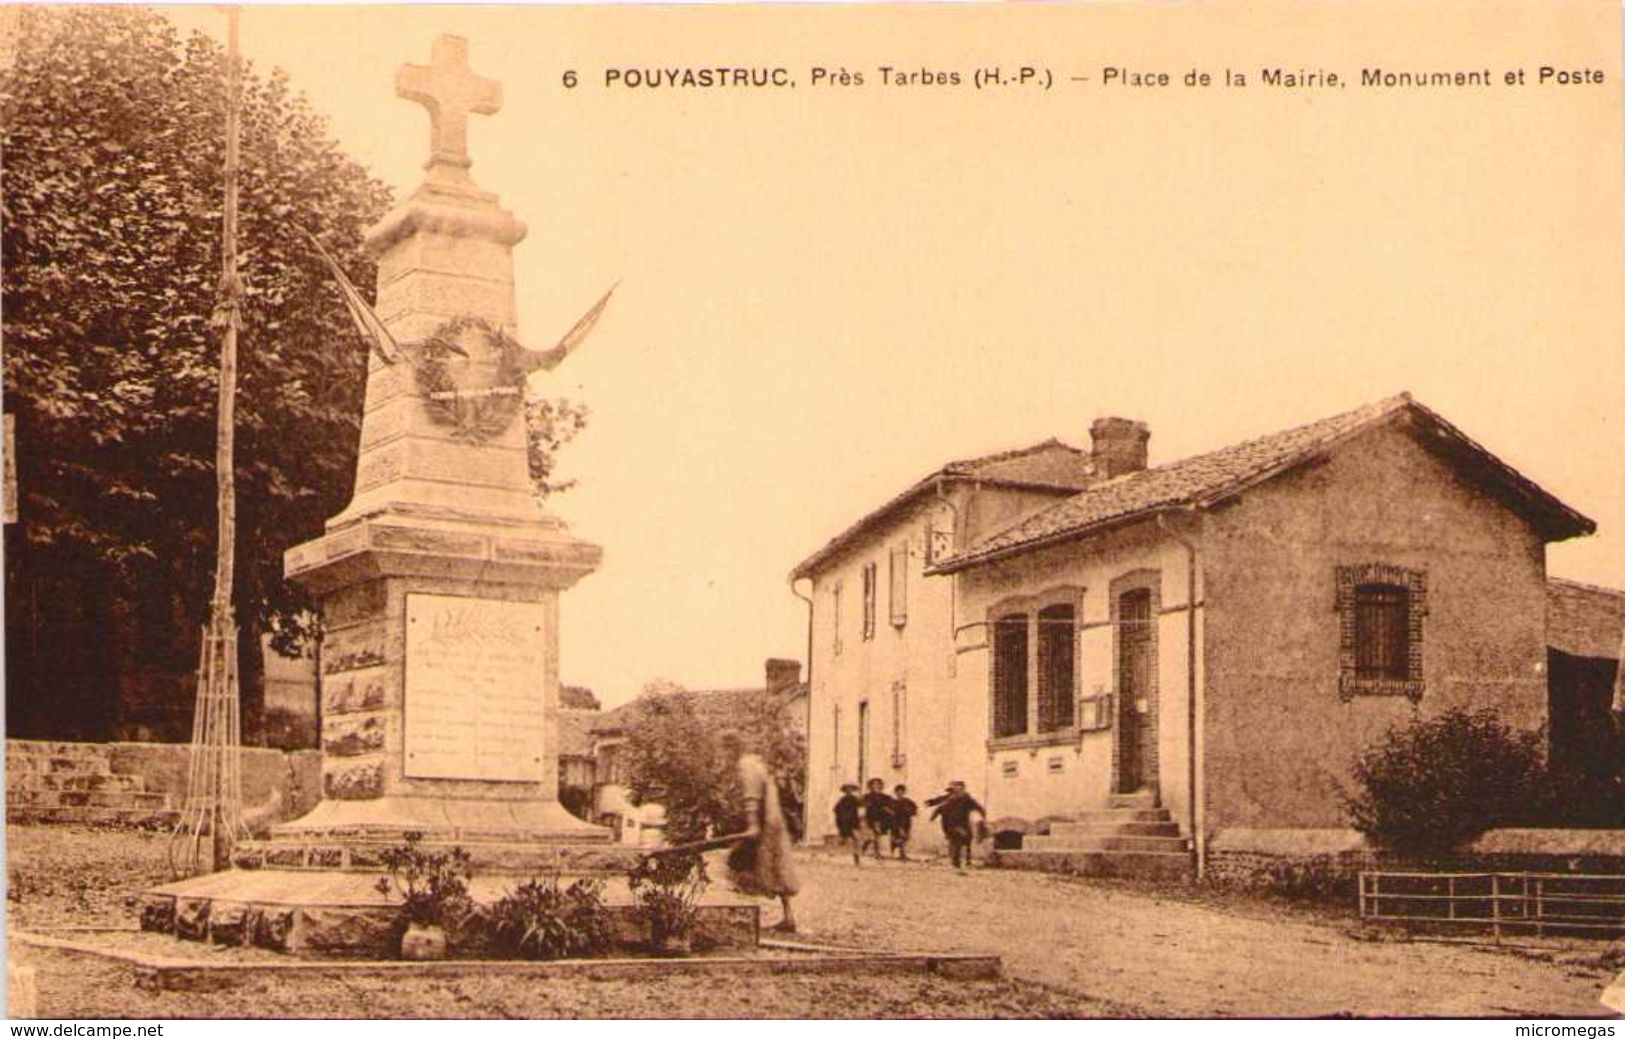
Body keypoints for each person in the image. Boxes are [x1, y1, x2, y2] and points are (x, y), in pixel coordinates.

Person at [720, 731, 799, 932]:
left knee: (736, 866)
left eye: (725, 750)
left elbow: (752, 797)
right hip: (773, 821)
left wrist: (753, 825)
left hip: (764, 824)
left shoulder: (746, 765)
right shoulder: (756, 763)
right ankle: (788, 917)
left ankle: (740, 918)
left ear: (731, 748)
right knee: (776, 869)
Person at [930, 780, 986, 872]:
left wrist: (982, 814)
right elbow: (940, 805)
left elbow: (977, 806)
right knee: (957, 841)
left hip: (963, 823)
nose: (956, 791)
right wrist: (933, 810)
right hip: (952, 824)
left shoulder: (967, 799)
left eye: (959, 788)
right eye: (955, 789)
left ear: (962, 789)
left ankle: (964, 860)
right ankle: (956, 861)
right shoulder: (950, 799)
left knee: (966, 840)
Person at [859, 778, 893, 860]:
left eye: (878, 784)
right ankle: (876, 852)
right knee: (876, 834)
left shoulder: (885, 797)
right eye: (873, 784)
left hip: (882, 817)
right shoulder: (867, 796)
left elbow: (889, 806)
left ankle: (868, 845)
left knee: (877, 835)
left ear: (881, 786)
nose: (876, 786)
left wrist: (889, 811)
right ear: (870, 786)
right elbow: (862, 806)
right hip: (871, 817)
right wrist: (862, 816)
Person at [833, 782, 863, 865]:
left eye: (850, 789)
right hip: (845, 822)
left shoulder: (855, 799)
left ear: (852, 790)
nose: (849, 791)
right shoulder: (842, 800)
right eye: (847, 789)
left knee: (857, 839)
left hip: (853, 822)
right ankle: (852, 856)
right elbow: (836, 810)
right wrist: (841, 819)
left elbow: (861, 807)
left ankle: (856, 857)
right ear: (845, 791)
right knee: (849, 839)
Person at [889, 784, 918, 861]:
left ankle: (902, 853)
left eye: (902, 791)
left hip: (906, 821)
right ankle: (899, 853)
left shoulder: (908, 801)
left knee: (905, 837)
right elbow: (889, 811)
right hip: (896, 822)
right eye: (898, 791)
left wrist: (911, 812)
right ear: (895, 792)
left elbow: (914, 809)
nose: (900, 793)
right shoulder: (893, 802)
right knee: (898, 836)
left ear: (904, 792)